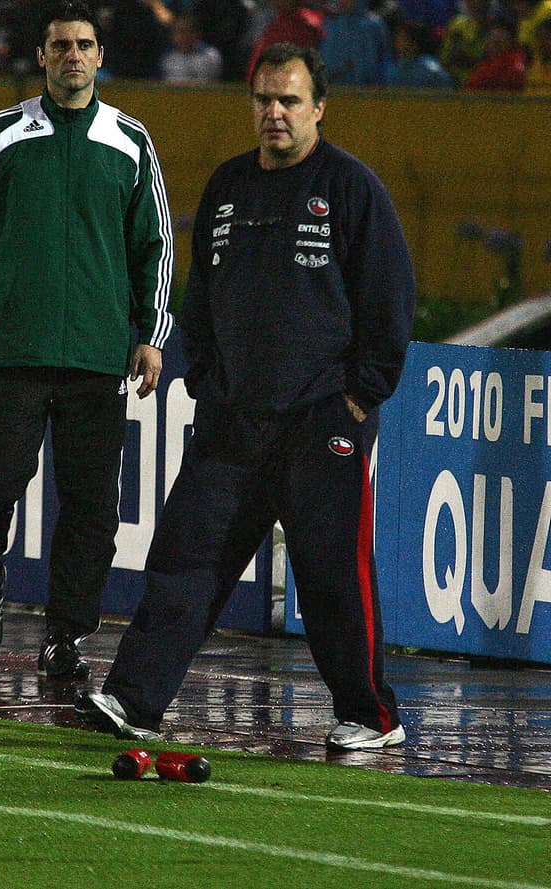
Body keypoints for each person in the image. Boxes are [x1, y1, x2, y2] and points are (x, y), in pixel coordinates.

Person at [77, 42, 415, 750]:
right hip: (231, 421)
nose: (275, 113)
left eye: (290, 100)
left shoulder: (352, 187)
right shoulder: (228, 184)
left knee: (331, 578)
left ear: (319, 108)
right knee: (184, 562)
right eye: (264, 99)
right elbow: (201, 295)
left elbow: (389, 300)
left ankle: (370, 717)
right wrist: (206, 381)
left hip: (322, 419)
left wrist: (360, 396)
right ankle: (134, 700)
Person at [0, 1, 174, 680]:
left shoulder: (131, 140)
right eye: (61, 45)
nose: (73, 56)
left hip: (97, 357)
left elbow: (155, 245)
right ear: (41, 56)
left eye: (84, 45)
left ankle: (67, 635)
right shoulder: (3, 133)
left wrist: (152, 335)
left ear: (100, 56)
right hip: (13, 352)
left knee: (93, 510)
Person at [159, 13, 223, 81]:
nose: (183, 36)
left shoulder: (211, 55)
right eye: (178, 32)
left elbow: (216, 82)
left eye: (187, 31)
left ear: (196, 33)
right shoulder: (167, 57)